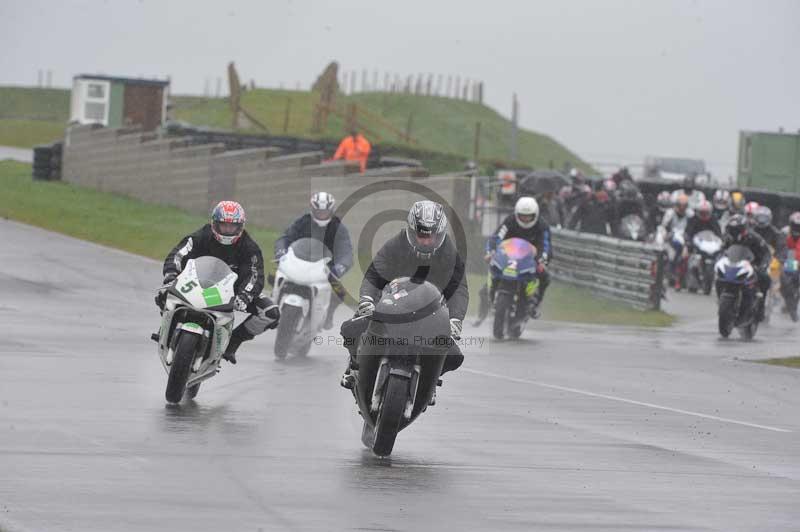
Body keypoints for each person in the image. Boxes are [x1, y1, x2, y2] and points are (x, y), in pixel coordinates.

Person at [339, 200, 468, 389]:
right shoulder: (396, 245)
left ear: (440, 235)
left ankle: (429, 381)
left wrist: (455, 319)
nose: (426, 240)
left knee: (454, 356)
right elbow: (374, 275)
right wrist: (367, 301)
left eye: (431, 236)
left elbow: (459, 289)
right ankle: (355, 367)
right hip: (391, 304)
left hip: (429, 312)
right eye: (421, 235)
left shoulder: (449, 253)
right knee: (351, 329)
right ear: (411, 230)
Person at [156, 201, 280, 364]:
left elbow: (254, 275)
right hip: (196, 283)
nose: (228, 230)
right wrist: (171, 275)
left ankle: (232, 342)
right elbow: (178, 254)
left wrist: (244, 296)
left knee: (271, 313)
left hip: (232, 292)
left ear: (240, 227)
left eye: (232, 226)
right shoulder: (201, 236)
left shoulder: (249, 247)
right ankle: (166, 329)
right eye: (223, 225)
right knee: (163, 294)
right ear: (214, 223)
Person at [274, 192, 353, 330]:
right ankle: (274, 306)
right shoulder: (303, 221)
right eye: (318, 211)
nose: (322, 214)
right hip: (299, 262)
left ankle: (327, 316)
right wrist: (281, 252)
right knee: (274, 276)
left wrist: (340, 267)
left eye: (325, 211)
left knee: (340, 293)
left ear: (331, 211)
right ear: (313, 209)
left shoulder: (338, 228)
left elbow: (346, 251)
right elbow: (286, 237)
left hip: (326, 269)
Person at [482, 196, 551, 319]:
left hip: (532, 258)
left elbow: (545, 245)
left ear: (535, 215)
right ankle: (490, 296)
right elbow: (497, 236)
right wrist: (491, 251)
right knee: (492, 271)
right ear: (516, 214)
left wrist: (542, 260)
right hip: (509, 256)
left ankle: (535, 304)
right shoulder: (510, 221)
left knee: (545, 277)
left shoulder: (542, 226)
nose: (525, 218)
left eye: (529, 216)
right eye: (522, 215)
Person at [720, 214, 772, 321]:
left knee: (765, 278)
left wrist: (763, 265)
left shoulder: (754, 237)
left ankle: (760, 307)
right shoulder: (728, 238)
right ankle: (722, 298)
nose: (734, 232)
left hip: (754, 264)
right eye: (732, 229)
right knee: (719, 274)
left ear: (744, 228)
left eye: (737, 229)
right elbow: (721, 251)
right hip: (733, 264)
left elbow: (767, 253)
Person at [660, 193, 693, 288]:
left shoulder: (690, 214)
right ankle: (668, 272)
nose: (682, 208)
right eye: (680, 205)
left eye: (684, 206)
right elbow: (664, 226)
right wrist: (666, 234)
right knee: (669, 254)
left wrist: (688, 237)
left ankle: (687, 275)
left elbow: (692, 227)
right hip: (671, 237)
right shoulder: (670, 213)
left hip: (685, 237)